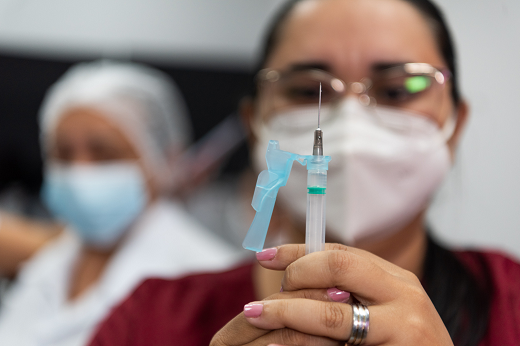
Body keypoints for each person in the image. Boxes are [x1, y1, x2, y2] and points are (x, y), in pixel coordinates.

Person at [88, 1, 520, 345]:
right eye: (305, 89)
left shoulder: (510, 305)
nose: (349, 123)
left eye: (396, 89)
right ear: (254, 124)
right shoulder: (149, 320)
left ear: (455, 125)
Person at [0, 60, 241, 346]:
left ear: (160, 160)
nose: (80, 171)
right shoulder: (49, 263)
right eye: (63, 153)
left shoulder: (206, 277)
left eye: (104, 153)